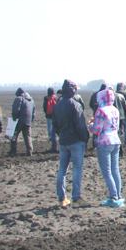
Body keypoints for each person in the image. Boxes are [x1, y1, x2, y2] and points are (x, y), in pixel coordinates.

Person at [52, 79, 92, 207]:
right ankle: (76, 198)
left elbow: (54, 125)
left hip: (63, 141)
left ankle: (62, 198)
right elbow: (80, 125)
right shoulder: (75, 105)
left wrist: (61, 135)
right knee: (77, 169)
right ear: (72, 90)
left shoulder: (57, 105)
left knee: (62, 169)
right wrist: (85, 138)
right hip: (75, 142)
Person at [90, 87, 125, 207]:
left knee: (106, 171)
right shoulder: (115, 109)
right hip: (116, 141)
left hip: (104, 142)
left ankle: (113, 197)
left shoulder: (101, 110)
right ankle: (118, 195)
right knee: (115, 170)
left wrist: (90, 125)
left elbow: (97, 130)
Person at [10, 88, 36, 156]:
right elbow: (33, 112)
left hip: (19, 121)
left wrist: (14, 118)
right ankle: (29, 150)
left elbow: (15, 110)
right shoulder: (31, 100)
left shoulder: (18, 99)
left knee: (14, 135)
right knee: (27, 136)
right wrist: (30, 120)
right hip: (27, 121)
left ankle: (13, 150)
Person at [42, 88, 58, 153]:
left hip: (48, 115)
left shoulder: (46, 98)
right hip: (56, 116)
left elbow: (44, 107)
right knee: (56, 128)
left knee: (50, 127)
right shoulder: (56, 98)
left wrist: (46, 113)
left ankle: (51, 137)